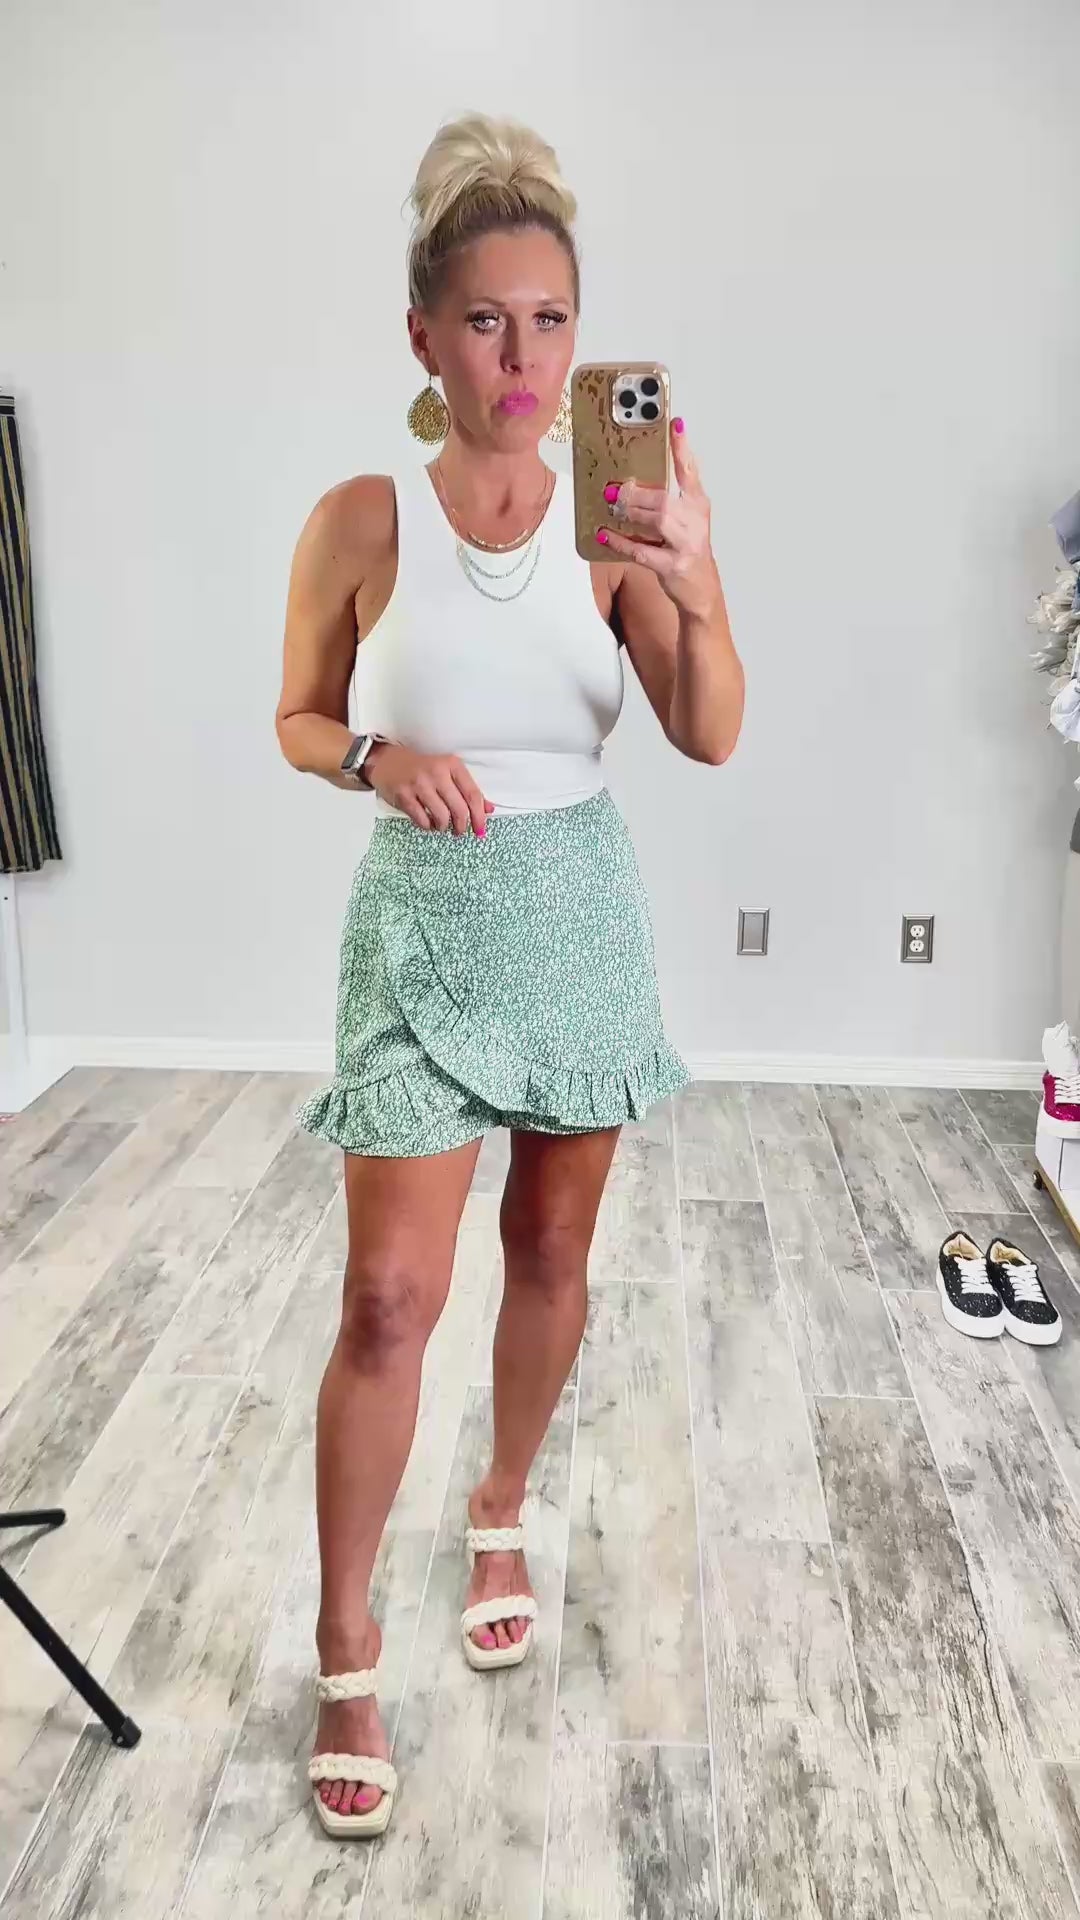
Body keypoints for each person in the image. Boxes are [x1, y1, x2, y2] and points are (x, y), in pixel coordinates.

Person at [275, 111, 745, 1839]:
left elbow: (708, 731)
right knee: (387, 1301)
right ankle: (344, 1645)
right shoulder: (362, 518)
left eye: (552, 320)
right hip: (420, 919)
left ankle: (500, 1503)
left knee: (550, 1247)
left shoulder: (625, 520)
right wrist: (374, 757)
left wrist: (694, 578)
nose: (524, 357)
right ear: (425, 336)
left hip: (577, 911)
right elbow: (296, 714)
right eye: (486, 321)